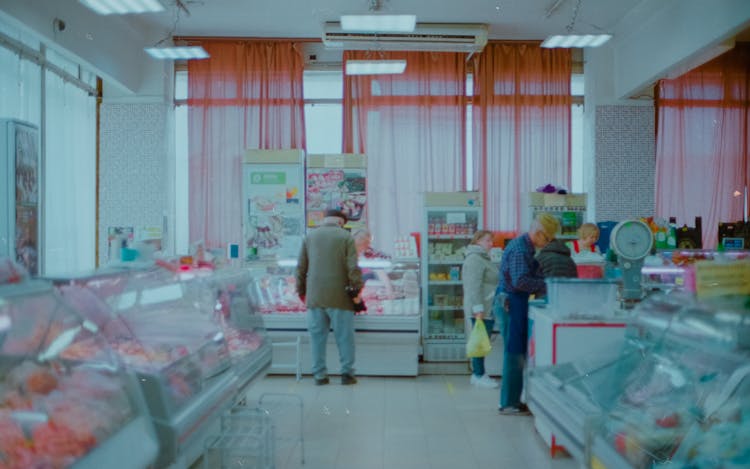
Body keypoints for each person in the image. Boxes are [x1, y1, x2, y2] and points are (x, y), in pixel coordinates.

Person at [497, 212, 560, 415]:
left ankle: (514, 399)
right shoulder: (520, 250)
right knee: (514, 353)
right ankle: (508, 403)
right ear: (540, 233)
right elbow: (520, 281)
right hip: (511, 302)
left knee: (518, 352)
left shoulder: (528, 248)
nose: (547, 243)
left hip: (517, 301)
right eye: (548, 239)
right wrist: (547, 285)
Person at [296, 209, 364, 386]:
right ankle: (347, 375)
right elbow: (353, 268)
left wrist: (301, 291)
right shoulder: (346, 237)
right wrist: (356, 291)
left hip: (315, 297)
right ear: (341, 222)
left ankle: (319, 376)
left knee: (317, 339)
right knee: (344, 338)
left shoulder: (309, 237)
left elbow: (300, 268)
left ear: (324, 220)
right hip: (340, 297)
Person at [461, 229, 499, 389]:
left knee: (481, 340)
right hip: (481, 308)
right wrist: (478, 309)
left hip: (485, 306)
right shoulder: (475, 259)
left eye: (491, 241)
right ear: (478, 241)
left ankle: (479, 374)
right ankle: (478, 375)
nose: (491, 244)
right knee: (479, 341)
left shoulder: (482, 258)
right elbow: (473, 286)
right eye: (487, 241)